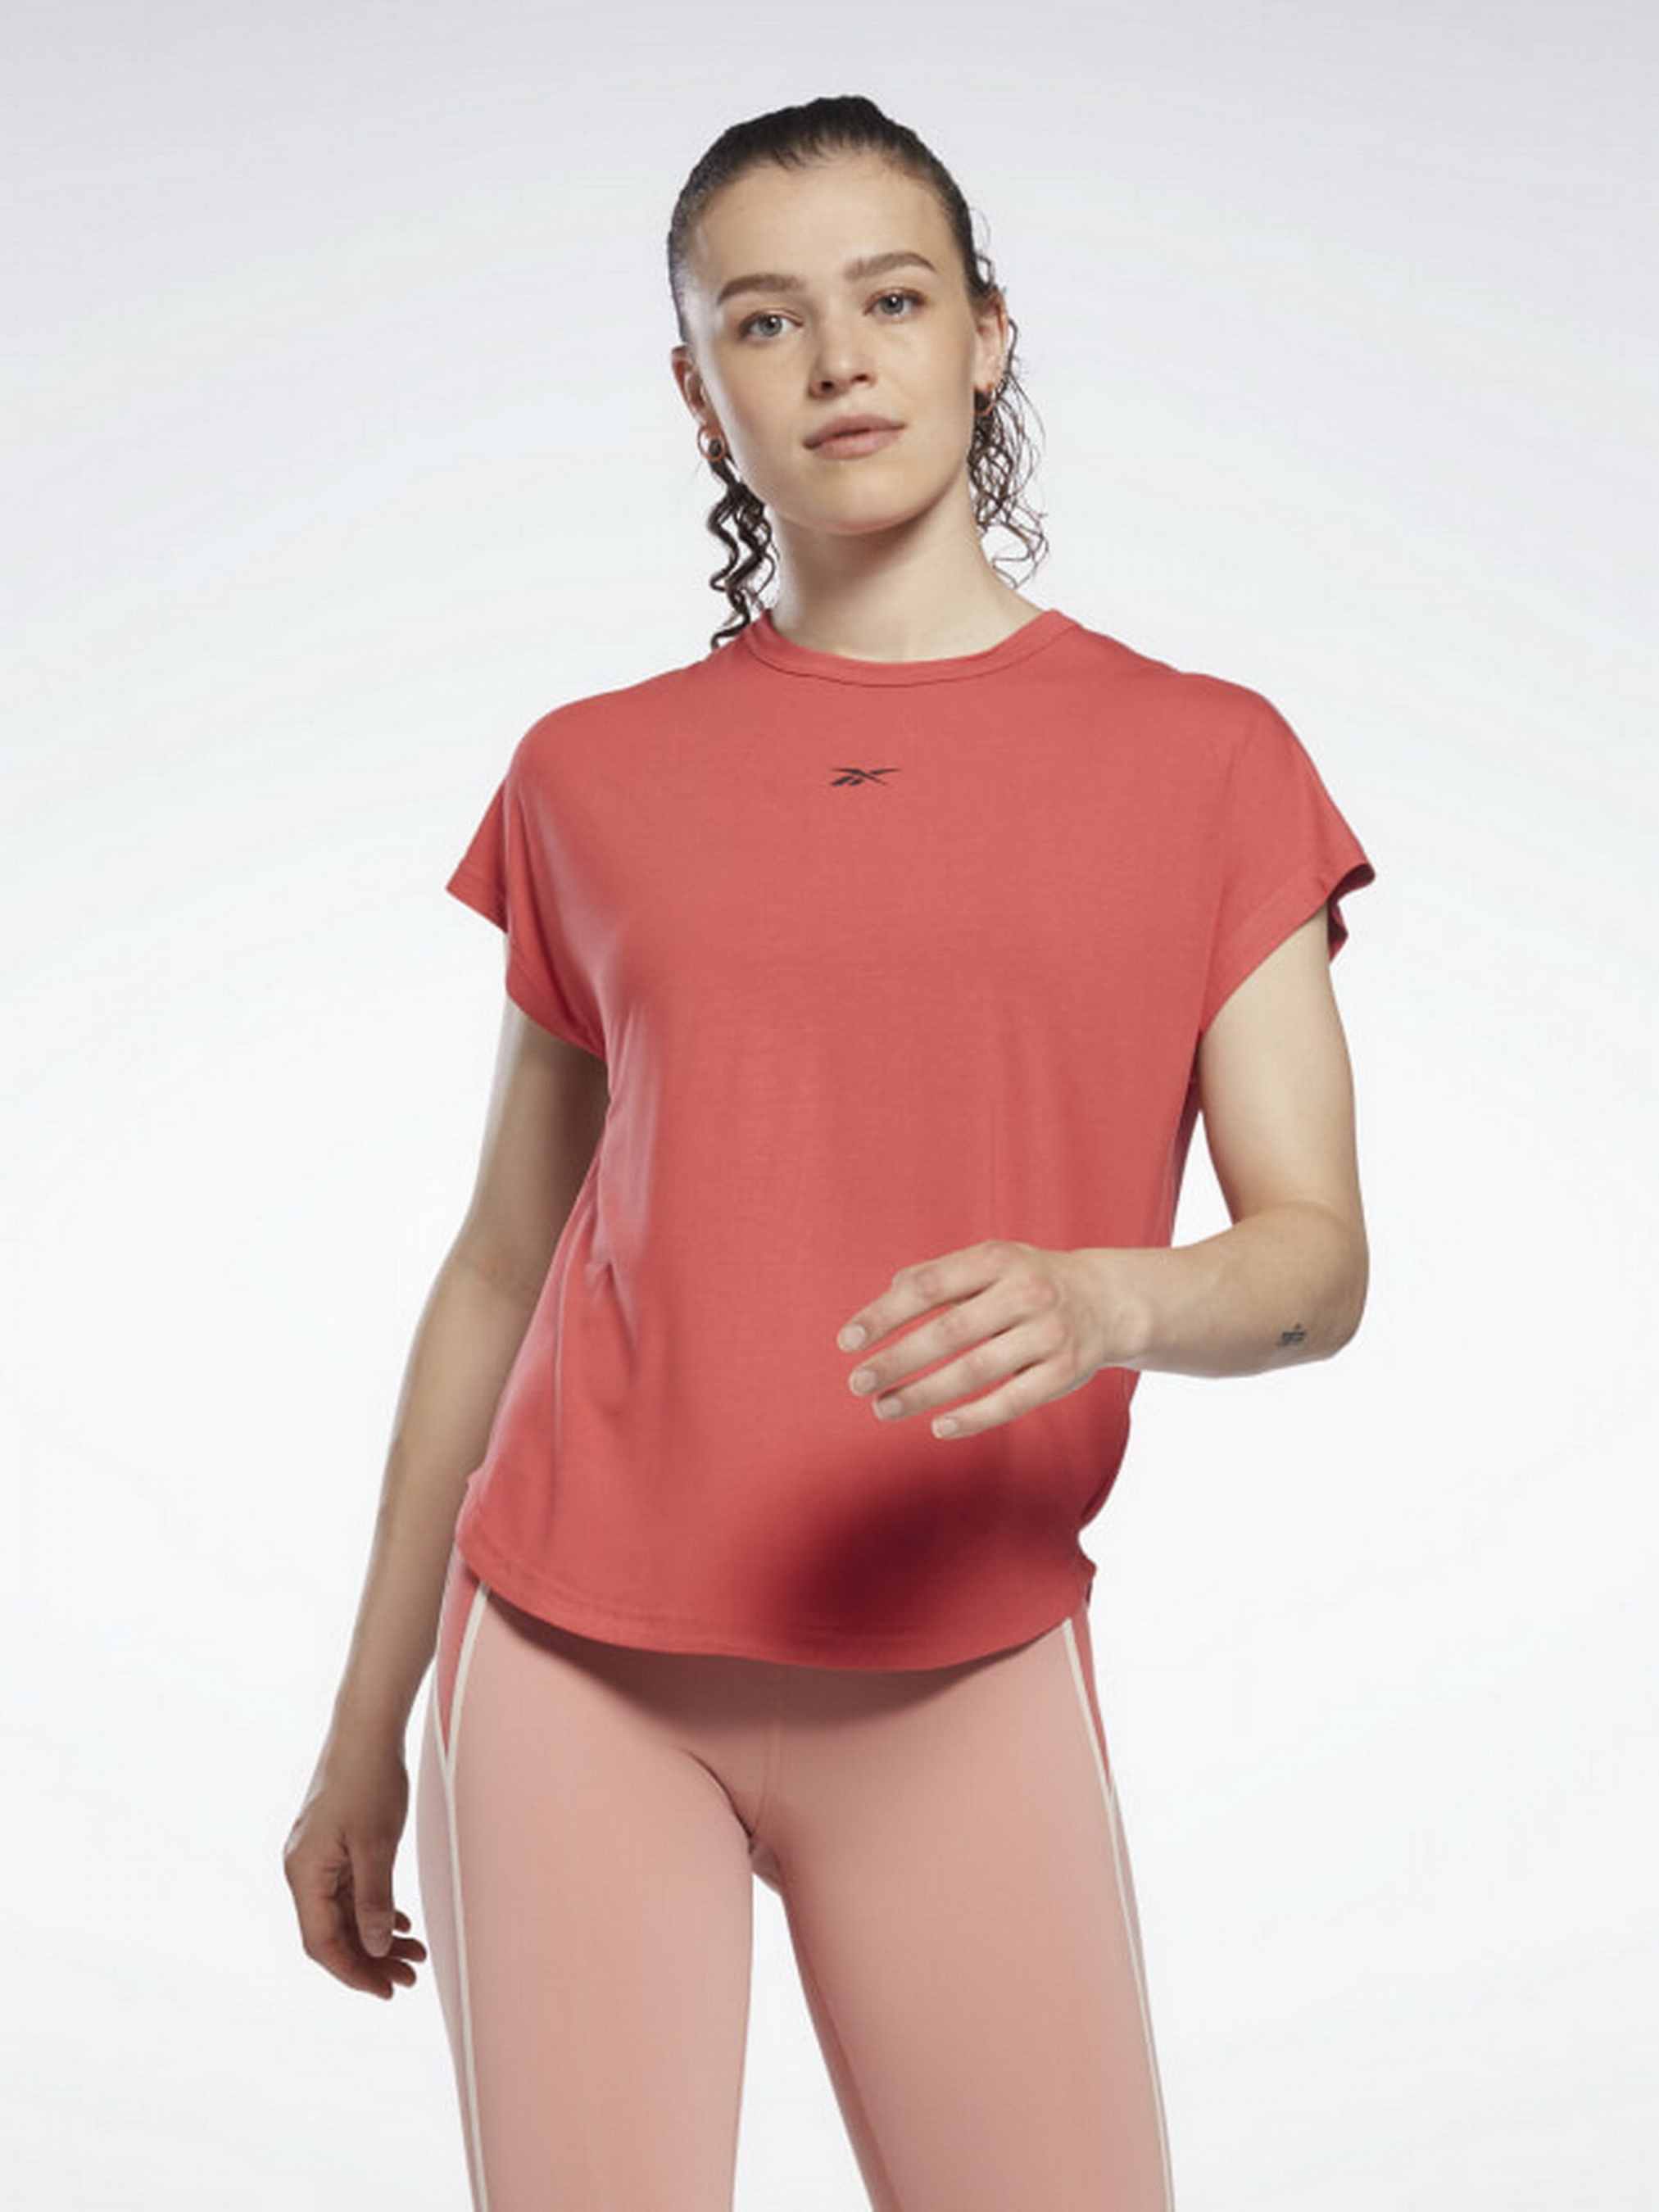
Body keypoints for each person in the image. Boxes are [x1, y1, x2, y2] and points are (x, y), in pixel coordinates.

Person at [282, 93, 1373, 2212]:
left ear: (986, 331)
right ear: (699, 391)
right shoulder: (590, 772)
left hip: (961, 1662)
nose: (840, 360)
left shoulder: (1208, 759)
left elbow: (1315, 1260)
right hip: (573, 1662)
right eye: (766, 321)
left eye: (892, 299)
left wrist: (1103, 1299)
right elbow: (501, 1263)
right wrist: (362, 1726)